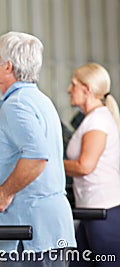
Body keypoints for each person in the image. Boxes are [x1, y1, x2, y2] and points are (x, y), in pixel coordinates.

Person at [0, 31, 76, 266]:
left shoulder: (17, 106)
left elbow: (37, 158)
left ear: (8, 66)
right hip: (41, 230)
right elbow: (30, 155)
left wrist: (4, 191)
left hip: (30, 233)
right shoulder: (37, 100)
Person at [64, 63, 120, 266]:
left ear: (87, 89)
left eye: (73, 85)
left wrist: (51, 165)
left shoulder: (98, 121)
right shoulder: (92, 119)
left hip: (103, 213)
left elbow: (85, 166)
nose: (69, 90)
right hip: (90, 210)